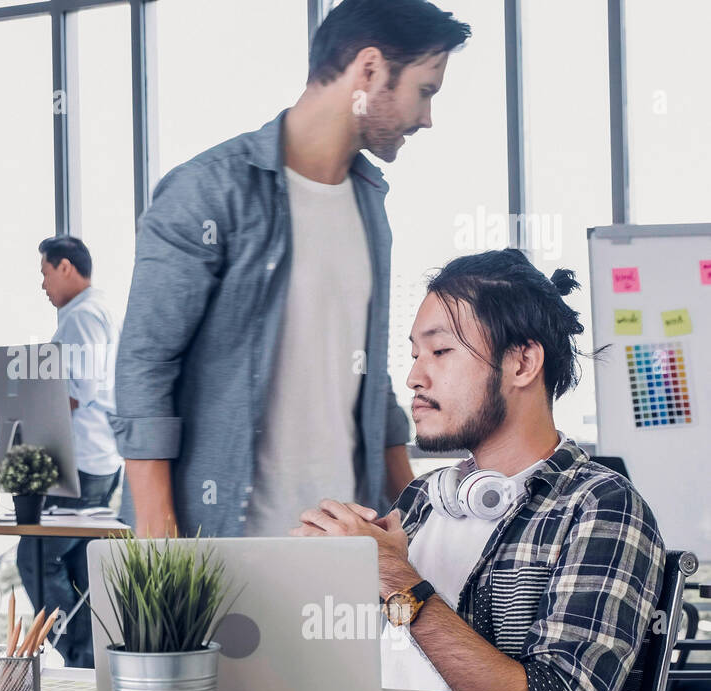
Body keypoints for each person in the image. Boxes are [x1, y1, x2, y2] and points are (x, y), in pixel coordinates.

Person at [113, 0, 470, 539]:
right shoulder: (209, 191)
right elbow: (145, 365)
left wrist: (415, 524)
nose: (426, 118)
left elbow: (368, 385)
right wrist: (163, 547)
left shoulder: (370, 203)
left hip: (346, 548)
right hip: (221, 547)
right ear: (369, 71)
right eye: (425, 91)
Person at [292, 249, 665, 691]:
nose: (414, 377)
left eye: (440, 351)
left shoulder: (601, 508)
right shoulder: (424, 500)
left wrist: (395, 579)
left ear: (523, 362)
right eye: (413, 355)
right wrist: (316, 584)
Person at [16, 235, 121, 668]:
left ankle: (80, 657)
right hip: (97, 459)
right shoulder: (97, 313)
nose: (42, 285)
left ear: (65, 267)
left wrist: (24, 403)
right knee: (81, 567)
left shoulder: (80, 318)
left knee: (36, 557)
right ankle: (94, 661)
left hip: (78, 463)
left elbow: (76, 392)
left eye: (44, 272)